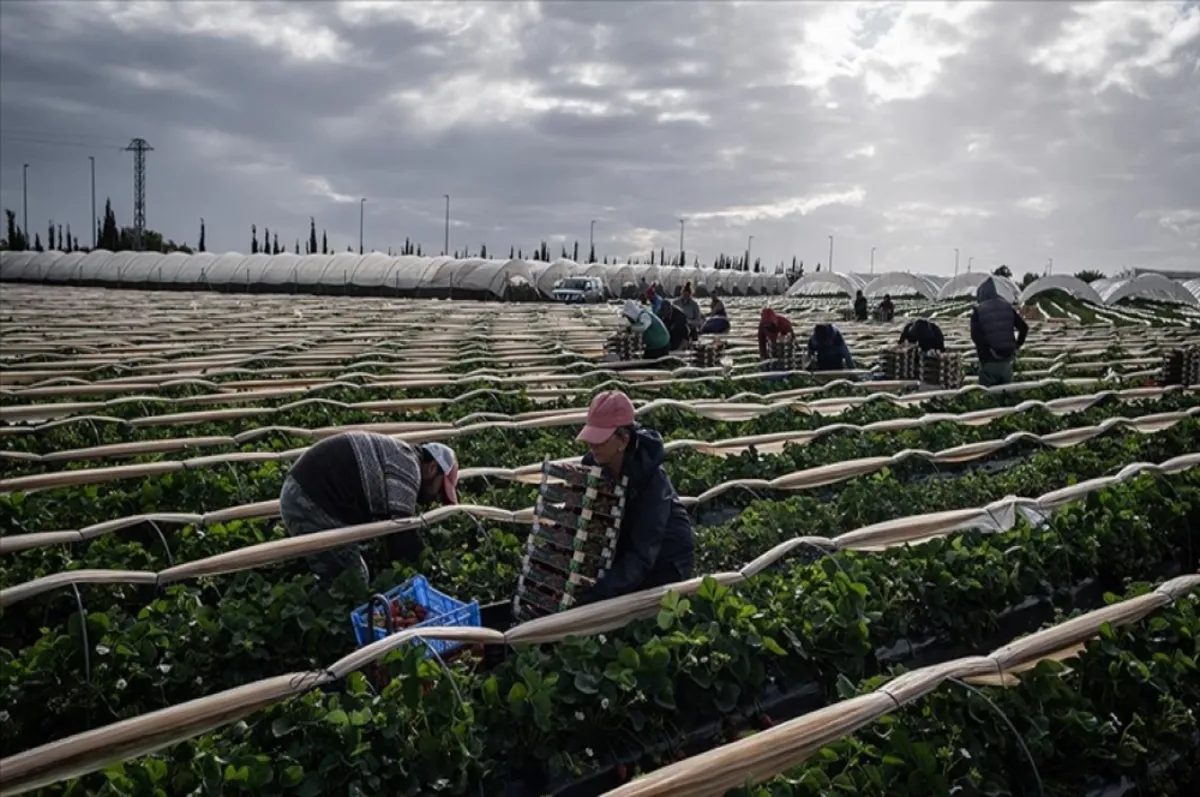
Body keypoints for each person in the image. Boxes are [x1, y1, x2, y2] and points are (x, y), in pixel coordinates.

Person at [279, 432, 460, 584]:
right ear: (431, 468)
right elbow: (400, 532)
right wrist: (429, 573)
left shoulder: (402, 455)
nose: (437, 498)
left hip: (304, 493)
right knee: (352, 581)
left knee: (341, 573)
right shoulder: (408, 467)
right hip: (308, 500)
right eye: (440, 490)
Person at [572, 390, 695, 605]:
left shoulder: (653, 483)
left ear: (624, 440)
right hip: (624, 550)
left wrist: (601, 592)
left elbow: (642, 554)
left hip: (665, 564)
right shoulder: (593, 466)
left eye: (600, 439)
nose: (593, 445)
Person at [970, 277, 1028, 387]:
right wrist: (1017, 346)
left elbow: (975, 336)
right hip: (1007, 360)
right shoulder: (1007, 307)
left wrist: (986, 351)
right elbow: (1024, 328)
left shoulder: (978, 310)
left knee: (988, 397)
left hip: (989, 361)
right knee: (1005, 394)